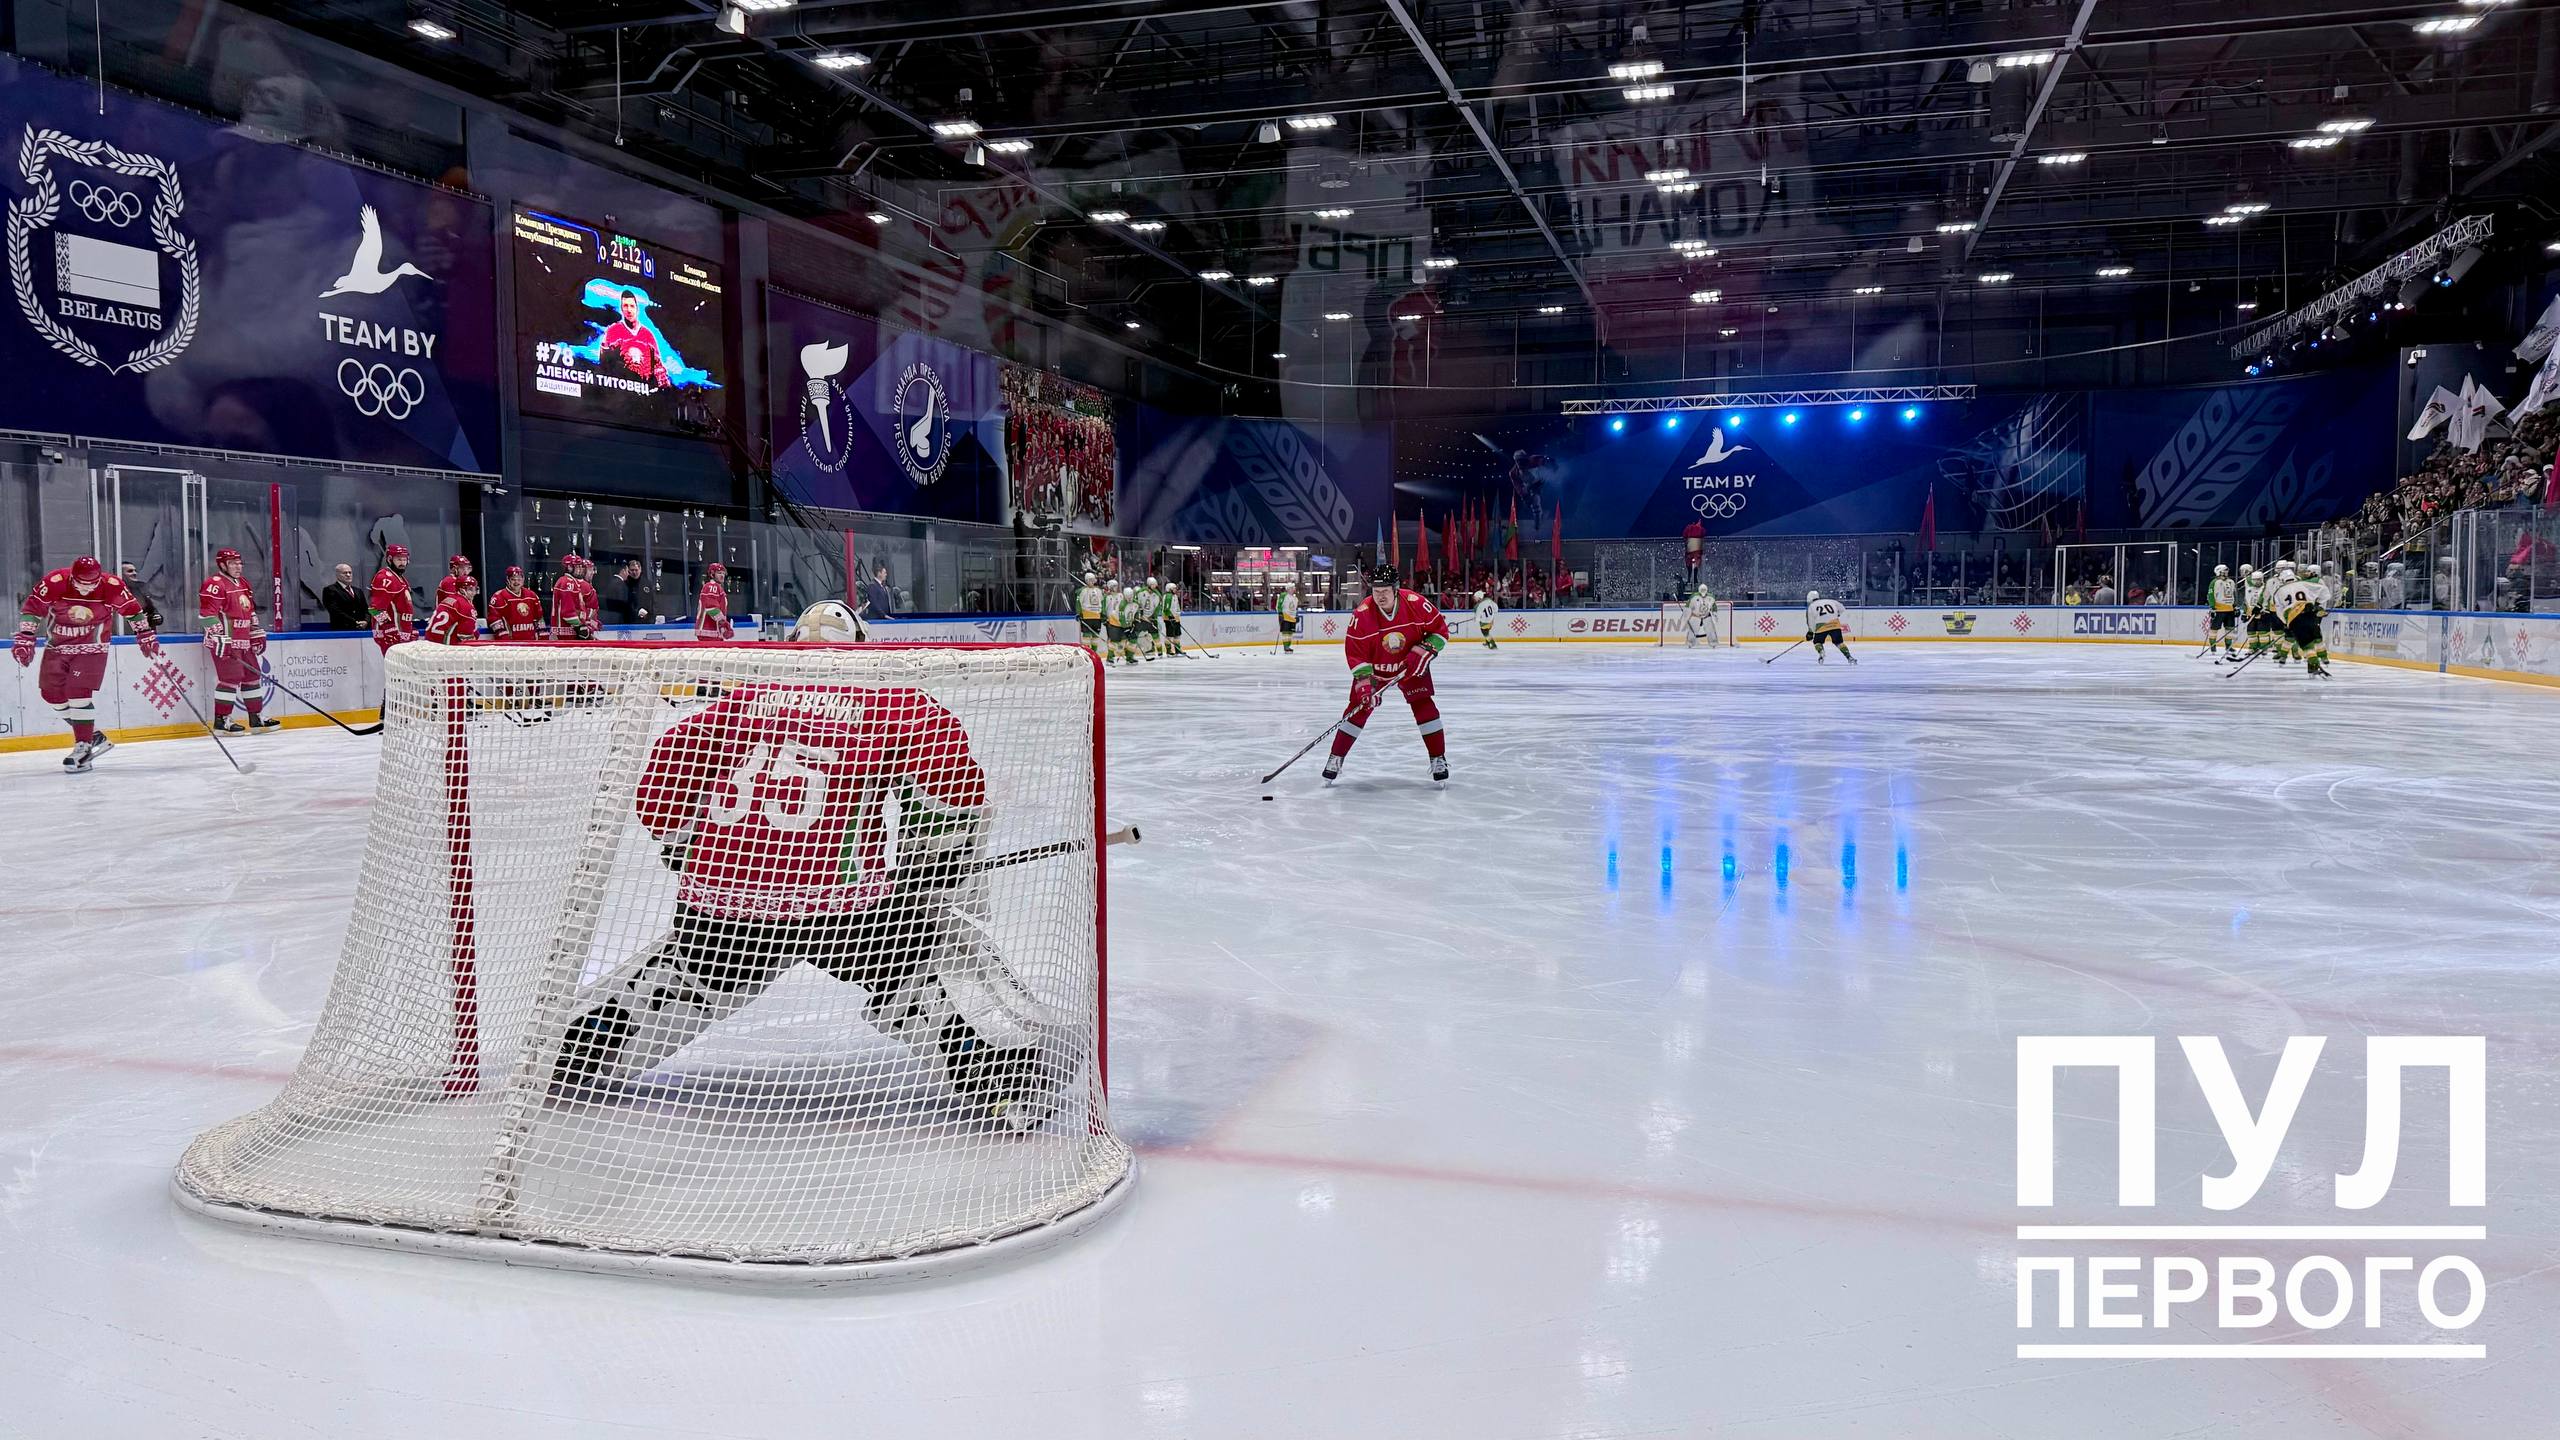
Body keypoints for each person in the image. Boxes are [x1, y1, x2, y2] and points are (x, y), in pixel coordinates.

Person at [547, 679, 1056, 1129]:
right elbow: (952, 790)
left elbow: (660, 790)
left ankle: (564, 1052)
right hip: (844, 909)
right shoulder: (896, 702)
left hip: (720, 904)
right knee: (924, 971)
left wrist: (685, 847)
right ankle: (1006, 1075)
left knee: (681, 980)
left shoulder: (737, 702)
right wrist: (932, 872)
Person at [15, 555, 159, 773]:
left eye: (90, 584)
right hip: (57, 647)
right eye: (81, 583)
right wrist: (26, 636)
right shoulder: (55, 581)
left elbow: (132, 610)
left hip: (92, 647)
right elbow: (33, 608)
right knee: (50, 694)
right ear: (72, 577)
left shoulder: (111, 585)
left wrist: (145, 633)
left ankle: (83, 747)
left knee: (78, 693)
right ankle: (94, 736)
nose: (85, 589)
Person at [1323, 567, 1451, 784]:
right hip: (1376, 670)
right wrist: (1365, 685)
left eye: (1385, 591)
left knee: (1423, 704)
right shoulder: (1362, 615)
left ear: (1396, 589)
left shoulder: (1416, 603)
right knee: (1358, 709)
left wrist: (1424, 650)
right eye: (1376, 590)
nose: (1380, 596)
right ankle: (1335, 757)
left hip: (1410, 666)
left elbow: (1440, 631)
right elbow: (1356, 653)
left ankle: (1438, 758)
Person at [199, 547, 278, 734]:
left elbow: (250, 610)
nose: (238, 567)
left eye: (239, 563)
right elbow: (206, 614)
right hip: (226, 641)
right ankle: (222, 720)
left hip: (244, 640)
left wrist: (255, 632)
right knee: (230, 678)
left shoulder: (243, 582)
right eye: (233, 564)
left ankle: (256, 718)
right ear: (222, 565)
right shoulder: (214, 584)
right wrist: (219, 637)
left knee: (252, 676)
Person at [600, 289, 670, 387]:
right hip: (621, 389)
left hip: (645, 390)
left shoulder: (648, 335)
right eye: (625, 306)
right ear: (621, 309)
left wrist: (664, 387)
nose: (629, 310)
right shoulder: (613, 331)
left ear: (637, 309)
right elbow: (604, 365)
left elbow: (657, 366)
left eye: (632, 306)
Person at [2276, 566, 2331, 677]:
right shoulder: (2305, 584)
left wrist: (2286, 623)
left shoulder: (2279, 592)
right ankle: (2323, 658)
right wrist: (2317, 604)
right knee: (2316, 637)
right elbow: (2325, 592)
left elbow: (2279, 611)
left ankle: (2313, 664)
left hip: (2294, 619)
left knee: (2306, 644)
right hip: (2309, 614)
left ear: (2282, 579)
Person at [369, 544, 416, 653]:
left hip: (401, 632)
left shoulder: (400, 578)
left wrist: (408, 629)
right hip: (391, 634)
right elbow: (374, 609)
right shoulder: (385, 577)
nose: (402, 563)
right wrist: (388, 628)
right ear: (390, 559)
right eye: (399, 559)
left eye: (404, 559)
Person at [489, 566, 545, 642]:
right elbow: (494, 618)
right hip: (510, 643)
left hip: (531, 642)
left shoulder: (532, 596)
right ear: (507, 580)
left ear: (523, 579)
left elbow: (539, 617)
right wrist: (504, 638)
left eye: (519, 579)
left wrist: (543, 636)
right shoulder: (499, 597)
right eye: (513, 579)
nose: (516, 582)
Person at [552, 554, 600, 639]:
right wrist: (581, 627)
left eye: (580, 566)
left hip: (568, 631)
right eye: (577, 566)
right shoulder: (567, 582)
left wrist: (586, 626)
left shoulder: (570, 581)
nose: (580, 569)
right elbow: (568, 612)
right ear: (569, 567)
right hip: (566, 634)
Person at [1805, 589, 1854, 665]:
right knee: (1839, 642)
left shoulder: (1811, 606)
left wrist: (1810, 632)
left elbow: (1810, 621)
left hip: (1821, 626)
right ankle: (1849, 657)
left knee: (1817, 642)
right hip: (1834, 624)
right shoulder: (1831, 601)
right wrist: (1836, 615)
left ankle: (1821, 652)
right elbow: (1842, 608)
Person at [421, 578, 477, 644]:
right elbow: (466, 637)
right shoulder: (465, 606)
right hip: (443, 646)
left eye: (475, 589)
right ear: (462, 590)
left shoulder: (448, 599)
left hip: (428, 642)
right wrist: (476, 636)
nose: (474, 593)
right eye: (470, 589)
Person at [118, 562, 165, 633]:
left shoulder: (141, 587)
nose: (134, 573)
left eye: (135, 571)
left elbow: (151, 609)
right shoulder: (113, 590)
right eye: (130, 571)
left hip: (144, 633)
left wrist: (156, 617)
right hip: (122, 634)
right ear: (119, 574)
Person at [320, 563, 368, 630]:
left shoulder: (358, 591)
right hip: (341, 630)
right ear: (337, 575)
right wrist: (355, 622)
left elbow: (366, 609)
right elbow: (335, 611)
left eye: (350, 572)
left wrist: (366, 621)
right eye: (345, 573)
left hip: (361, 630)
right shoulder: (330, 590)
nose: (348, 575)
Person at [2206, 563, 2239, 659]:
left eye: (2226, 571)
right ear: (2218, 572)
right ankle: (2213, 646)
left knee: (2230, 628)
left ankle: (2228, 646)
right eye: (2224, 571)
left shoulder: (2231, 582)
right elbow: (2210, 595)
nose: (2226, 573)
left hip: (2230, 609)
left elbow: (2234, 594)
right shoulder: (2214, 582)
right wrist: (2212, 607)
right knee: (2214, 629)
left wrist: (2235, 606)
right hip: (2219, 609)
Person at [695, 562, 734, 642]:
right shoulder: (712, 586)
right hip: (710, 631)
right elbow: (711, 607)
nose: (722, 575)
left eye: (723, 573)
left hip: (708, 631)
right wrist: (724, 625)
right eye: (719, 573)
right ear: (712, 574)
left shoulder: (714, 587)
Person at [1101, 577, 1133, 667]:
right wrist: (1104, 618)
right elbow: (1103, 609)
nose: (1116, 587)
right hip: (1111, 621)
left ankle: (1128, 657)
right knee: (1113, 640)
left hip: (1121, 621)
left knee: (1125, 639)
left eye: (1116, 586)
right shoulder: (1107, 597)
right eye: (1114, 586)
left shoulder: (1121, 595)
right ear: (1110, 587)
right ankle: (1110, 658)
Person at [603, 559, 646, 626]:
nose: (628, 574)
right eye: (627, 571)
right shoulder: (621, 584)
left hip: (612, 619)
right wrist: (637, 612)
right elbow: (624, 605)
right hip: (621, 621)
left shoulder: (612, 582)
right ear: (623, 571)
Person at [1075, 570, 1105, 657]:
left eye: (1093, 579)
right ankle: (1087, 653)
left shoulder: (1099, 591)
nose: (1092, 581)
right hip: (1086, 616)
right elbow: (1078, 603)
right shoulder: (1082, 591)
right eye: (1090, 580)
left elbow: (1102, 603)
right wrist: (1079, 613)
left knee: (1095, 636)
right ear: (1086, 580)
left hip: (1097, 617)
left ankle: (1094, 653)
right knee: (1087, 636)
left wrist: (1103, 614)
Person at [1161, 580, 1188, 657]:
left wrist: (1178, 615)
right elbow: (1166, 609)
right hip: (1169, 619)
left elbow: (1177, 607)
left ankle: (1178, 650)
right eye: (1174, 588)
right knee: (1170, 635)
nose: (1176, 589)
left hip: (1175, 618)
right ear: (1169, 589)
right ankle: (1168, 651)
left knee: (1177, 634)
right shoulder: (1168, 596)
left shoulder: (1174, 596)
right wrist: (1171, 617)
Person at [1276, 583, 1300, 654]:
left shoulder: (1295, 598)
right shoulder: (1283, 595)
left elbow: (1295, 609)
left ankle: (1288, 646)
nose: (1293, 589)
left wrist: (1296, 615)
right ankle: (1286, 647)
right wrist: (1280, 613)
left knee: (1290, 633)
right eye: (1292, 588)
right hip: (1285, 616)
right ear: (1288, 589)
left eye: (1293, 588)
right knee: (1285, 632)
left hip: (1292, 618)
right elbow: (1279, 605)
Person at [1683, 517, 1705, 585]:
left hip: (1690, 546)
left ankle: (1689, 578)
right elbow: (1703, 534)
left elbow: (1684, 535)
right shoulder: (1700, 529)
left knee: (1689, 563)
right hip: (1697, 547)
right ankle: (1695, 578)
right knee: (1696, 563)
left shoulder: (1688, 528)